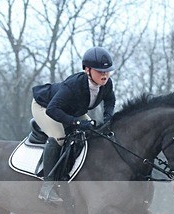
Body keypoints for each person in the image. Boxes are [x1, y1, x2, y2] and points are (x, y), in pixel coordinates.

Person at [31, 46, 116, 204]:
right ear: (87, 70)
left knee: (93, 133)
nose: (105, 75)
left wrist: (108, 117)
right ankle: (47, 188)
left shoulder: (107, 83)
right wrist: (76, 122)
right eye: (100, 71)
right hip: (45, 106)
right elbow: (52, 110)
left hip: (72, 109)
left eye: (107, 71)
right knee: (59, 137)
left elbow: (110, 100)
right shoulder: (74, 85)